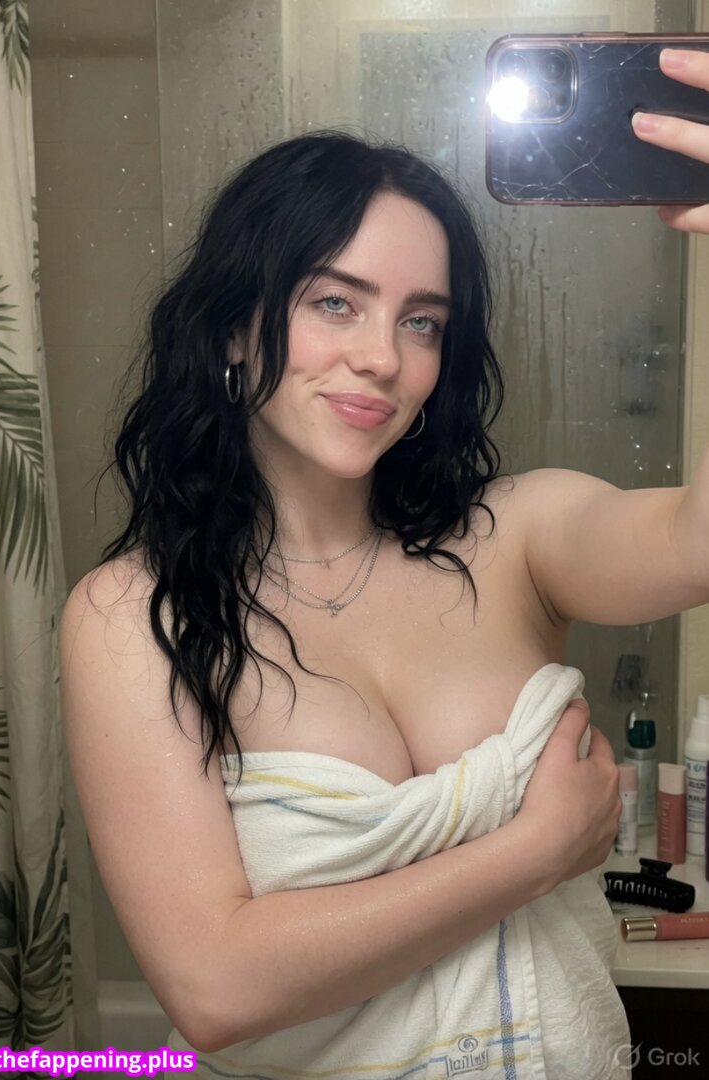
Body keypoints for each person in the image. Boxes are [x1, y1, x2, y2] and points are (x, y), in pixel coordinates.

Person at [58, 47, 709, 1080]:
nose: (382, 357)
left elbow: (696, 542)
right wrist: (533, 852)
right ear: (234, 327)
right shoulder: (137, 616)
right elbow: (215, 990)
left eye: (421, 323)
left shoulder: (514, 537)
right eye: (335, 303)